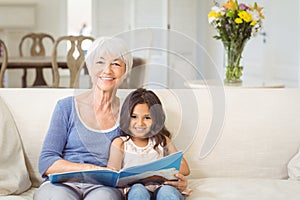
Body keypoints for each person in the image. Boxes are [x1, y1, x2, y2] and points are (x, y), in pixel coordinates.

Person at [34, 37, 189, 200]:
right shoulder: (65, 107)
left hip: (103, 188)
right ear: (90, 66)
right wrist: (91, 168)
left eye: (116, 64)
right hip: (61, 184)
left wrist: (174, 181)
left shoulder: (131, 115)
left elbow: (148, 155)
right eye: (100, 62)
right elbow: (46, 162)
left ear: (125, 71)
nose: (107, 70)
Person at [107, 88, 191, 200]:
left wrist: (158, 173)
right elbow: (112, 175)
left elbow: (185, 169)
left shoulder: (162, 141)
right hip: (134, 188)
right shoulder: (121, 143)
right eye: (134, 117)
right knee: (138, 191)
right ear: (126, 117)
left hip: (162, 186)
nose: (140, 123)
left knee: (167, 192)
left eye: (147, 117)